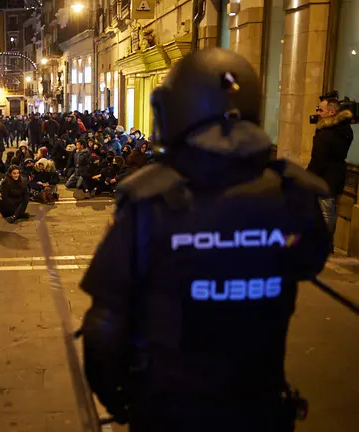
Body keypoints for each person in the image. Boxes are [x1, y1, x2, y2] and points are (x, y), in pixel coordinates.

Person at [79, 48, 330, 432]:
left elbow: (104, 327)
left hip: (170, 409)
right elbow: (310, 260)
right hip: (259, 408)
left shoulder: (149, 201)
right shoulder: (295, 195)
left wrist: (119, 398)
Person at [306, 96, 355, 251]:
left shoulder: (326, 133)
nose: (317, 112)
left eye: (320, 110)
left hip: (324, 177)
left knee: (325, 211)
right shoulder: (345, 130)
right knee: (329, 210)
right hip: (337, 175)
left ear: (331, 112)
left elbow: (318, 158)